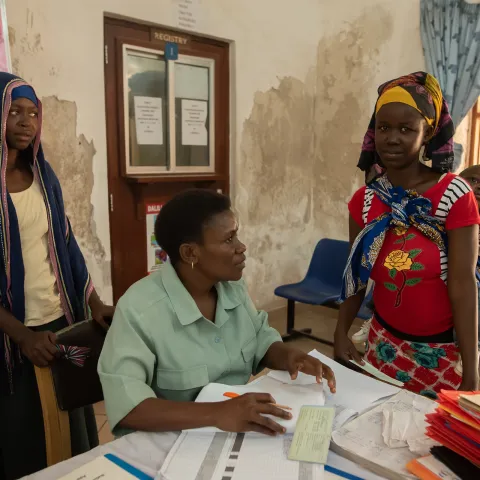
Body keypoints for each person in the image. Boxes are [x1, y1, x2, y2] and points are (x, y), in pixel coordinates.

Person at [98, 189, 336, 437]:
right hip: (169, 442)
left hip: (233, 433)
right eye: (228, 239)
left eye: (237, 236)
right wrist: (217, 413)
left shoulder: (231, 287)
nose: (241, 247)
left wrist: (290, 357)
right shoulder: (140, 310)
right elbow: (128, 407)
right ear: (190, 253)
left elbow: (259, 339)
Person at [334, 72, 479, 398]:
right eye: (384, 128)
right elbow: (356, 276)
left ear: (427, 133)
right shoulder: (367, 200)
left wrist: (471, 371)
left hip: (441, 353)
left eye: (406, 129)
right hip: (383, 347)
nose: (392, 138)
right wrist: (340, 331)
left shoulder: (453, 196)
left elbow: (463, 284)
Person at [0, 73, 114, 480]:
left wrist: (94, 302)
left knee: (70, 423)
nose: (26, 121)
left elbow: (65, 244)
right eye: (14, 111)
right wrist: (22, 336)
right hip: (12, 335)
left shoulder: (43, 179)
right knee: (22, 432)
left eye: (33, 113)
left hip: (57, 320)